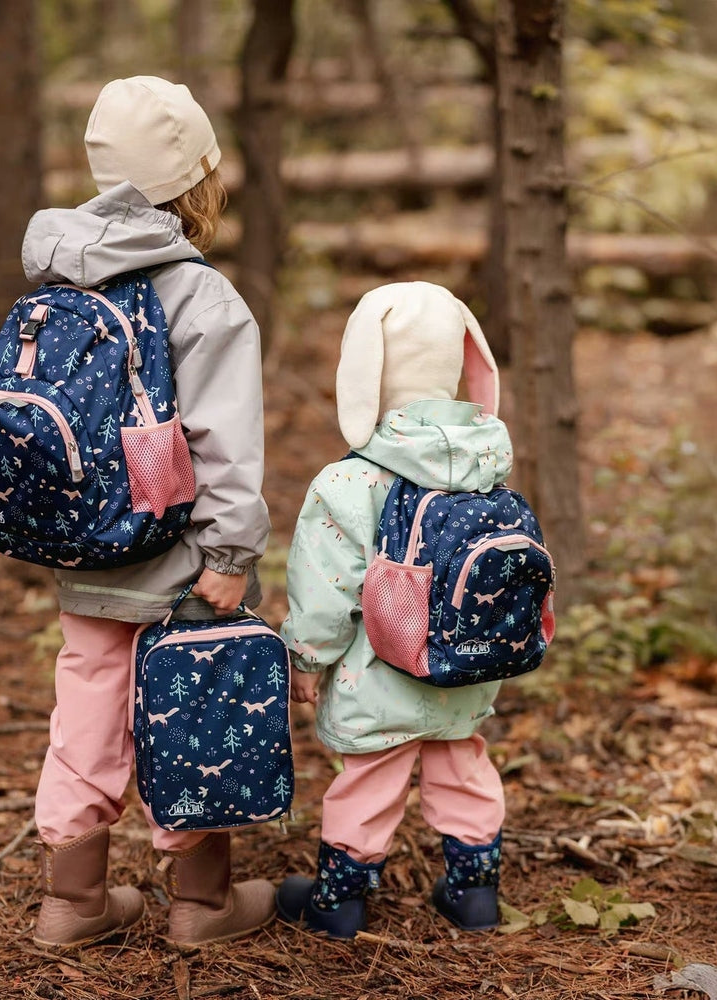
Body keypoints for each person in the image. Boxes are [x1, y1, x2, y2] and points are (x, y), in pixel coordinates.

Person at [21, 77, 274, 950]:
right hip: (178, 557)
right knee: (193, 706)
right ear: (197, 179)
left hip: (83, 548)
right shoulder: (200, 298)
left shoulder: (61, 274)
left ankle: (72, 900)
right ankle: (201, 906)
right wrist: (232, 551)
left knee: (85, 706)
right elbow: (227, 444)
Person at [276, 282, 512, 939]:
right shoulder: (486, 462)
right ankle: (473, 892)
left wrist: (305, 658)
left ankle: (340, 901)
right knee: (462, 763)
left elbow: (325, 586)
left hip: (377, 674)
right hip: (467, 665)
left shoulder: (351, 481)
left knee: (371, 779)